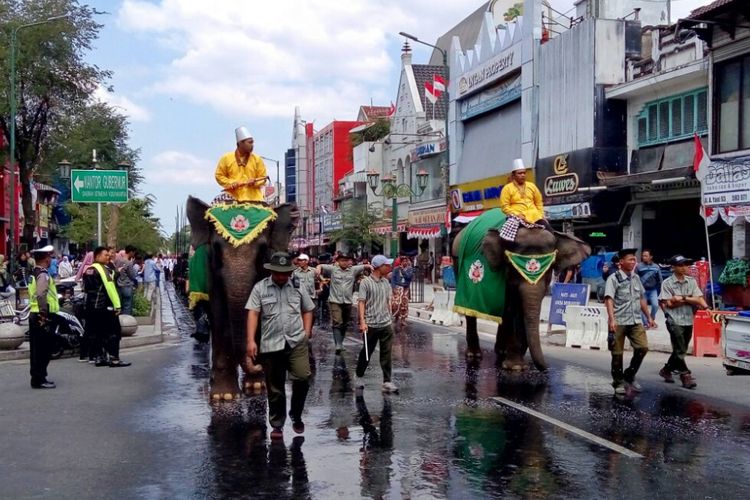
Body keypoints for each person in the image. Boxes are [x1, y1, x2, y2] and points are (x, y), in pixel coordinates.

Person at [246, 252, 315, 440]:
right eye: (278, 273)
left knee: (302, 378)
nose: (282, 277)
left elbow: (308, 309)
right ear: (272, 271)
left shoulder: (298, 287)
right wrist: (251, 340)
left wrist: (306, 332)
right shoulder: (260, 288)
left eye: (285, 273)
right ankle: (277, 424)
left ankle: (296, 414)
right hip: (271, 343)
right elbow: (253, 313)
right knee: (275, 387)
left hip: (296, 341)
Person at [604, 248, 654, 395]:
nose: (633, 262)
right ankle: (618, 381)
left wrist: (649, 316)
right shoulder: (613, 278)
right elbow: (609, 299)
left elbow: (642, 298)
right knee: (617, 353)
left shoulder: (636, 278)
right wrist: (612, 319)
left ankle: (630, 375)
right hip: (619, 320)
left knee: (642, 348)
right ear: (621, 262)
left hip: (635, 320)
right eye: (630, 259)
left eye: (634, 259)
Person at [658, 255, 708, 389]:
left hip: (687, 318)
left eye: (686, 264)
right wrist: (690, 299)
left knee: (682, 349)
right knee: (680, 348)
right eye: (681, 265)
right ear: (673, 268)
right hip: (674, 319)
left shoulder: (691, 281)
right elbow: (669, 304)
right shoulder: (667, 283)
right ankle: (685, 375)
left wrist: (682, 298)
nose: (685, 267)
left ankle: (667, 370)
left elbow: (699, 299)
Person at [356, 255, 398, 393]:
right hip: (371, 324)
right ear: (379, 267)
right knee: (367, 353)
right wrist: (362, 322)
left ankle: (387, 381)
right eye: (387, 265)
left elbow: (388, 302)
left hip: (385, 323)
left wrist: (390, 318)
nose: (389, 267)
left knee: (386, 353)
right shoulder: (365, 283)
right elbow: (361, 302)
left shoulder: (386, 283)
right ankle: (359, 375)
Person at [83, 247, 130, 367]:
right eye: (105, 255)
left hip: (91, 306)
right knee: (114, 332)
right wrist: (117, 305)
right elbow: (110, 288)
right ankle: (114, 359)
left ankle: (100, 357)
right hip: (105, 306)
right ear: (97, 256)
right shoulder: (102, 270)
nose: (108, 257)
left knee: (97, 333)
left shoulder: (89, 269)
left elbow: (87, 289)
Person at [316, 254, 371, 354]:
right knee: (337, 321)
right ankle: (338, 344)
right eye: (342, 260)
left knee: (345, 322)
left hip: (347, 301)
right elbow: (321, 266)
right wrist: (318, 268)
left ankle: (340, 342)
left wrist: (371, 266)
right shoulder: (333, 269)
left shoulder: (353, 270)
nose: (345, 262)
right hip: (335, 300)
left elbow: (365, 266)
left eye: (346, 260)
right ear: (338, 261)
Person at [28, 246, 59, 389]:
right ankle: (40, 378)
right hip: (42, 316)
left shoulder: (34, 272)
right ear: (46, 258)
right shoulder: (43, 274)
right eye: (50, 256)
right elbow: (41, 294)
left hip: (35, 314)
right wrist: (43, 313)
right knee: (43, 350)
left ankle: (37, 377)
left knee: (36, 349)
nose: (51, 259)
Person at [215, 126, 268, 202]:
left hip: (254, 200)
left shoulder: (257, 159)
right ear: (240, 143)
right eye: (250, 142)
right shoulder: (226, 158)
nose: (252, 145)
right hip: (232, 200)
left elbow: (263, 178)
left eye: (252, 142)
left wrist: (254, 182)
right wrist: (231, 183)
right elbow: (219, 175)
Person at [499, 158, 544, 224]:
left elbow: (539, 202)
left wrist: (541, 214)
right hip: (516, 218)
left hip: (535, 216)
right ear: (513, 175)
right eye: (519, 173)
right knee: (508, 233)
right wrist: (517, 215)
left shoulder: (532, 186)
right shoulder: (507, 188)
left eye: (524, 173)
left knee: (549, 231)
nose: (522, 175)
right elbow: (505, 207)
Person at [636, 249, 662, 329]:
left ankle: (651, 318)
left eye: (646, 256)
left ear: (651, 257)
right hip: (642, 290)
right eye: (643, 256)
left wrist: (661, 290)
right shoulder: (638, 266)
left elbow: (660, 279)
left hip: (653, 290)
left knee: (655, 305)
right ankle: (646, 324)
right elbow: (635, 278)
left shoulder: (656, 267)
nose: (644, 257)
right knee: (643, 307)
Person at [390, 256, 413, 330]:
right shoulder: (396, 269)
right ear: (401, 262)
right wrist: (393, 288)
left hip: (405, 288)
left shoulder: (410, 269)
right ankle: (396, 317)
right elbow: (393, 278)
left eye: (406, 261)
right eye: (403, 261)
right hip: (398, 288)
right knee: (396, 304)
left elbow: (409, 277)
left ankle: (403, 319)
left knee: (404, 304)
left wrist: (403, 271)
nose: (405, 262)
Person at [115, 246, 138, 316]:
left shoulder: (118, 261)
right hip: (127, 286)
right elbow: (132, 275)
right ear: (131, 252)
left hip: (119, 286)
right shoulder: (129, 263)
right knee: (127, 306)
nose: (134, 255)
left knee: (119, 305)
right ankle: (126, 322)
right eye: (134, 253)